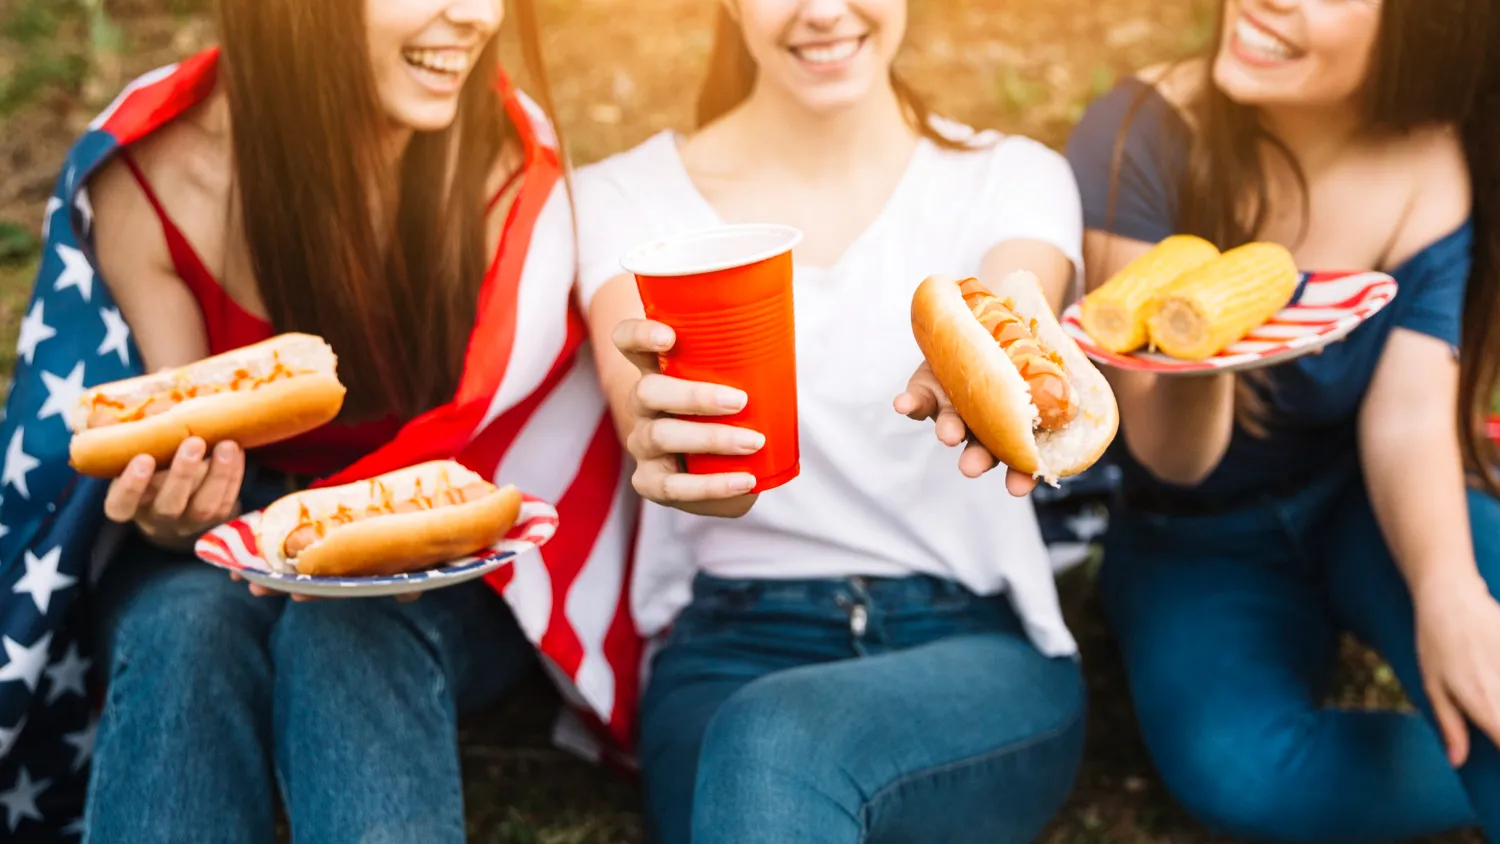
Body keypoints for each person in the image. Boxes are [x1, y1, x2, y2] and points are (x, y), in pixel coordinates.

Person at [0, 0, 635, 840]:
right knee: (186, 630)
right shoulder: (155, 177)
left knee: (344, 626)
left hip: (446, 569)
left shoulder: (501, 168)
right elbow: (175, 476)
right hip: (223, 541)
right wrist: (171, 511)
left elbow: (512, 453)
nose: (474, 16)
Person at [573, 1, 1089, 841]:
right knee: (767, 748)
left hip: (969, 641)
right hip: (728, 646)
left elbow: (1019, 305)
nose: (822, 10)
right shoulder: (622, 198)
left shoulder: (1014, 176)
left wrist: (982, 371)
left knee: (777, 745)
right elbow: (635, 387)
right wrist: (683, 454)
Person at [1056, 0, 1500, 839]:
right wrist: (1199, 350)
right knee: (1244, 774)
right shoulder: (1137, 133)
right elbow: (1168, 454)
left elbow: (1407, 418)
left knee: (1488, 635)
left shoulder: (1428, 160)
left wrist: (1448, 594)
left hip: (1362, 500)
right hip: (1193, 535)